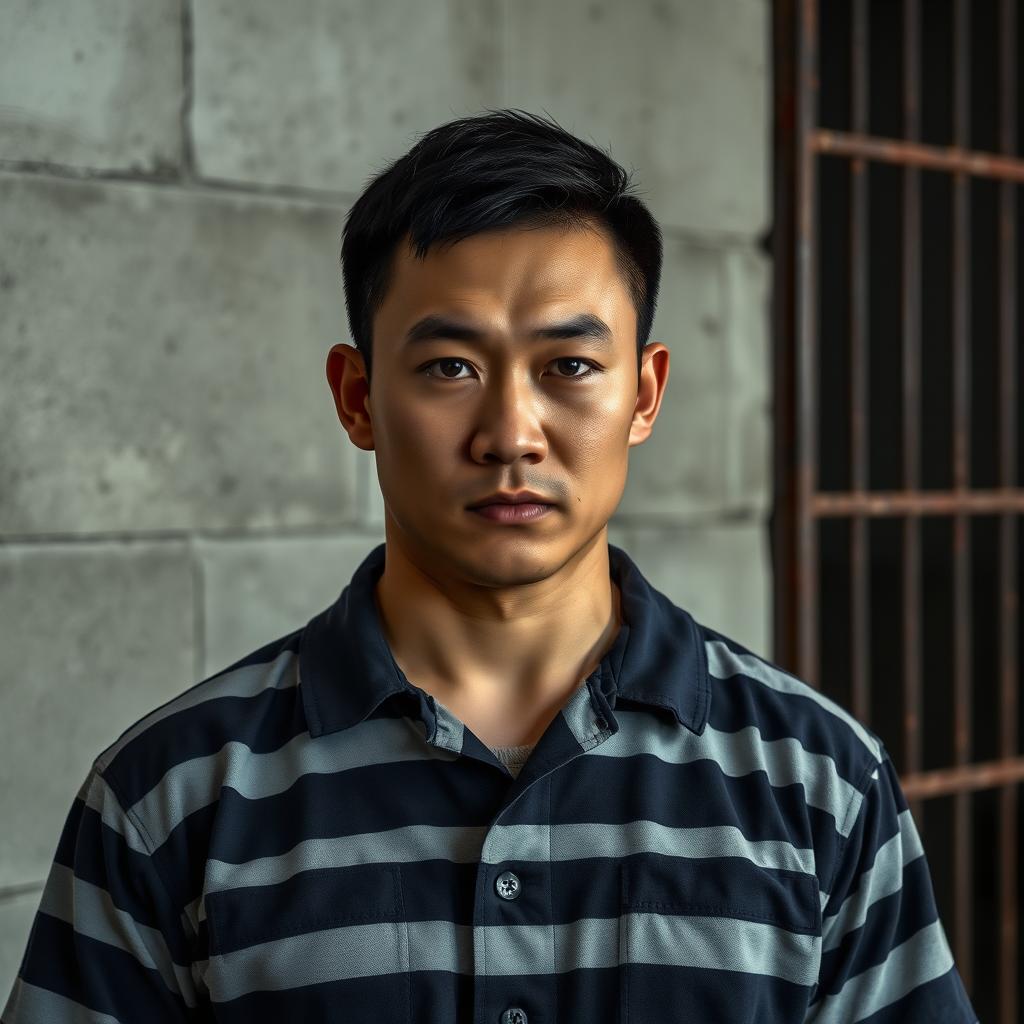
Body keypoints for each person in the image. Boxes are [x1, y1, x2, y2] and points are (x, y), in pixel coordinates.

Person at [3, 108, 978, 1024]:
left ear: (644, 395)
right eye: (449, 368)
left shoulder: (818, 784)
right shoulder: (170, 800)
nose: (511, 433)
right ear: (357, 399)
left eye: (569, 367)